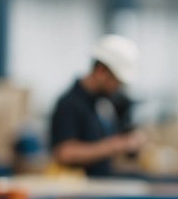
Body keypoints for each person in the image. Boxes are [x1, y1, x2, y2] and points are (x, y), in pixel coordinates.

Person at [49, 34, 145, 176]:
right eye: (116, 81)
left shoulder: (103, 102)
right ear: (101, 70)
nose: (118, 87)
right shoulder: (69, 103)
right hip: (78, 193)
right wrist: (117, 145)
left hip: (100, 186)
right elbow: (65, 153)